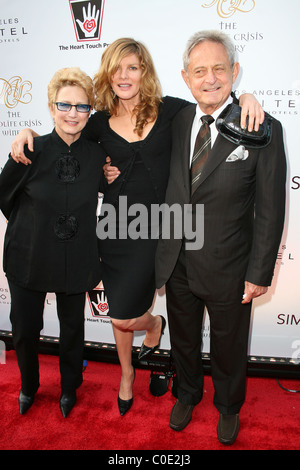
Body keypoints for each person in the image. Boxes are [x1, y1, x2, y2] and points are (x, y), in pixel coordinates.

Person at [9, 38, 264, 417]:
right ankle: (127, 373)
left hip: (160, 228)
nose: (124, 75)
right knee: (118, 314)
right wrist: (26, 134)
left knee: (127, 315)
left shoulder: (171, 111)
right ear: (108, 77)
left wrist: (246, 97)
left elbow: (211, 101)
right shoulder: (96, 122)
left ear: (144, 71)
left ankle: (155, 324)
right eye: (116, 69)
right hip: (115, 228)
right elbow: (66, 136)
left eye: (132, 67)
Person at [155, 30, 287, 445]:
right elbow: (116, 114)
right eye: (199, 71)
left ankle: (228, 406)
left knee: (230, 345)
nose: (209, 79)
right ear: (185, 77)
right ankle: (189, 392)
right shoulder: (173, 119)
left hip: (231, 264)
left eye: (218, 69)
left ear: (234, 71)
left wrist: (259, 270)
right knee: (184, 337)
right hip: (177, 259)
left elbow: (270, 207)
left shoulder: (262, 126)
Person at [0, 67, 106, 417]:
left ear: (90, 112)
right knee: (26, 330)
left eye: (81, 107)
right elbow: (4, 197)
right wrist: (34, 225)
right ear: (50, 107)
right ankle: (29, 386)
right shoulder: (29, 148)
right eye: (65, 104)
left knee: (73, 329)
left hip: (75, 257)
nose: (72, 113)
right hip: (28, 256)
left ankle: (69, 387)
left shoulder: (97, 156)